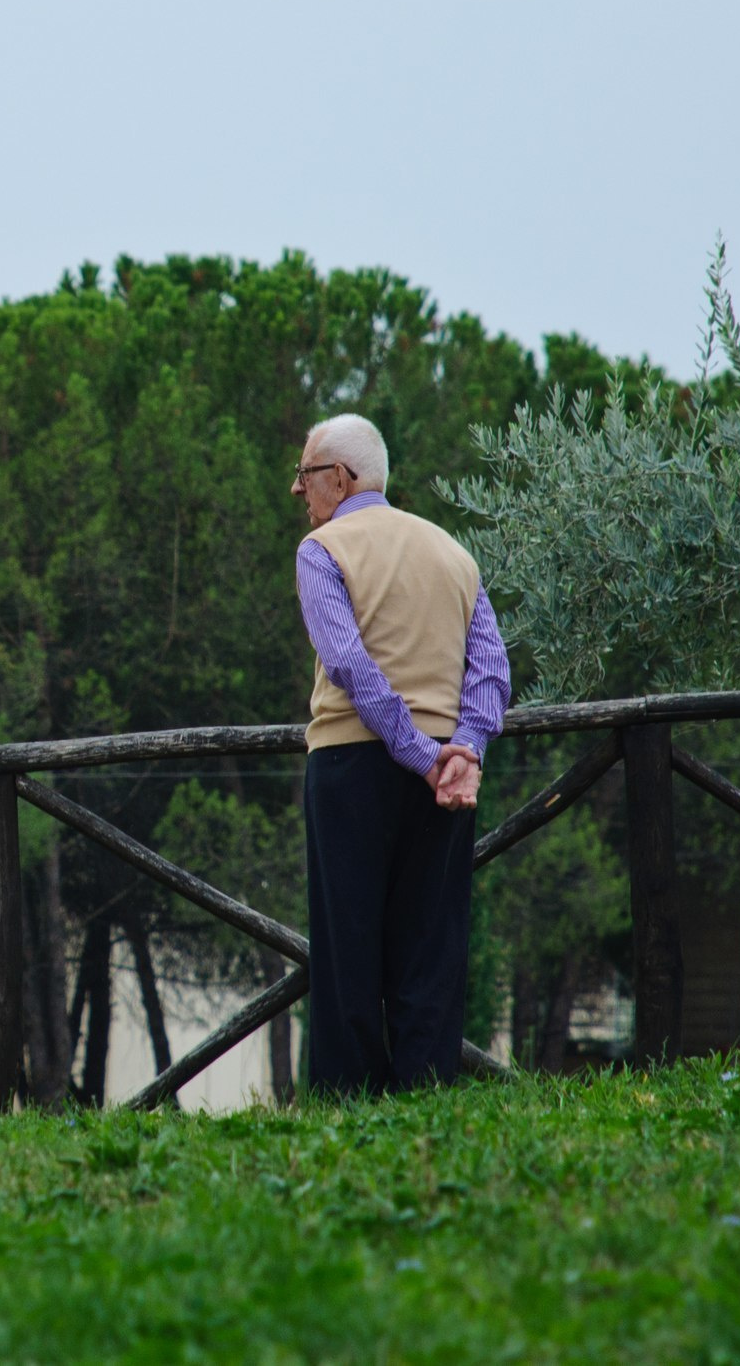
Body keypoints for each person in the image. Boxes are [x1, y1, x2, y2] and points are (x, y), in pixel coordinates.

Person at [291, 412, 510, 1094]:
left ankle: (349, 1102)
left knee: (347, 944)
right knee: (431, 944)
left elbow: (347, 663)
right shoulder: (454, 553)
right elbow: (492, 667)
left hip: (350, 765)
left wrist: (419, 752)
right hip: (443, 782)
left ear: (339, 477)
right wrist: (463, 750)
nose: (298, 490)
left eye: (304, 475)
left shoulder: (322, 550)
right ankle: (428, 1094)